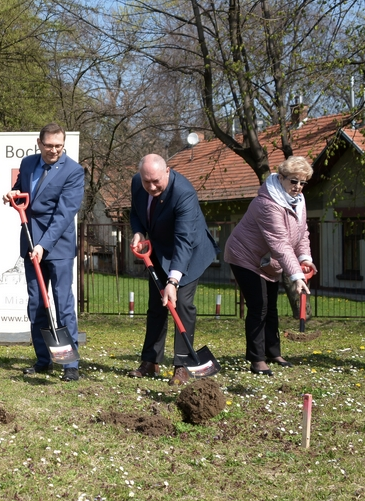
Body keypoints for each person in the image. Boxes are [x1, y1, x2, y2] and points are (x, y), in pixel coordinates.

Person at [3, 123, 85, 382]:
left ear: (63, 145)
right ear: (39, 143)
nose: (53, 150)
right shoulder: (28, 163)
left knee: (63, 303)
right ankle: (43, 359)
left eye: (58, 146)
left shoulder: (73, 171)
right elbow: (20, 186)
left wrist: (43, 245)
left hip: (57, 247)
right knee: (36, 303)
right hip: (29, 242)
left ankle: (70, 364)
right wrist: (13, 193)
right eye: (49, 145)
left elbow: (64, 214)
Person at [128, 155, 217, 385]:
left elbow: (183, 240)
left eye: (156, 181)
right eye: (146, 181)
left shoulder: (183, 193)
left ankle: (182, 366)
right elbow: (136, 212)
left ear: (167, 171)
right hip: (158, 250)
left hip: (189, 252)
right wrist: (138, 232)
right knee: (156, 305)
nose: (151, 186)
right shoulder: (138, 183)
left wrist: (173, 281)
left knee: (182, 304)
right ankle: (151, 362)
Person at [224, 156, 315, 376]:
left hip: (268, 261)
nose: (298, 187)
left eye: (303, 183)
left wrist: (305, 259)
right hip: (244, 257)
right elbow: (280, 243)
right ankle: (257, 359)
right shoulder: (267, 203)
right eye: (294, 181)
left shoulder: (298, 201)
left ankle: (273, 352)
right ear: (281, 178)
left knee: (271, 306)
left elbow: (302, 233)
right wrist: (296, 276)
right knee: (259, 306)